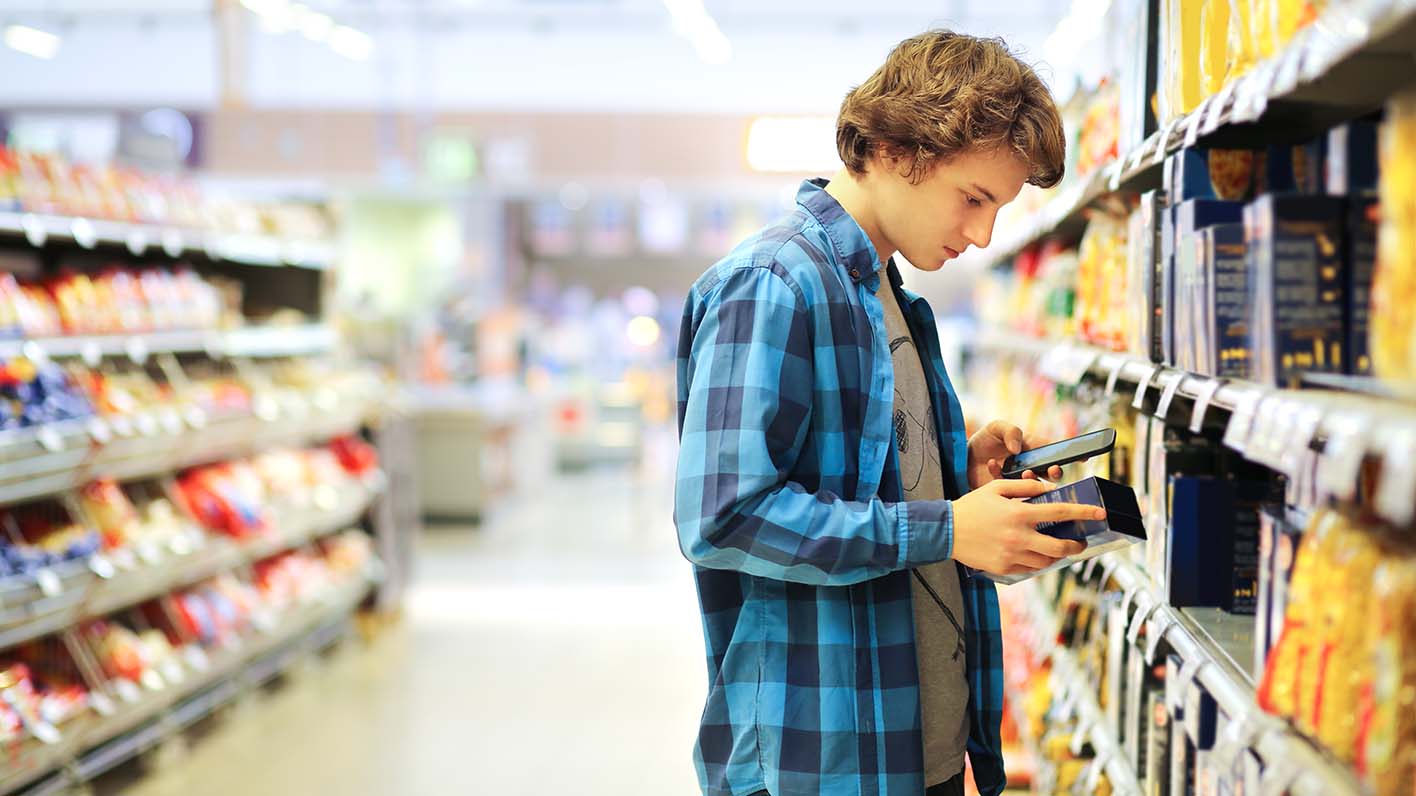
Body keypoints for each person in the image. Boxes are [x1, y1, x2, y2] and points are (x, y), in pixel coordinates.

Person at [673, 30, 1108, 796]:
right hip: (820, 760)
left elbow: (859, 484)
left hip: (912, 747)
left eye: (998, 208)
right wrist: (945, 525)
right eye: (973, 199)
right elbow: (722, 516)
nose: (982, 235)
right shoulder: (774, 285)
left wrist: (953, 473)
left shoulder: (893, 299)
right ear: (893, 149)